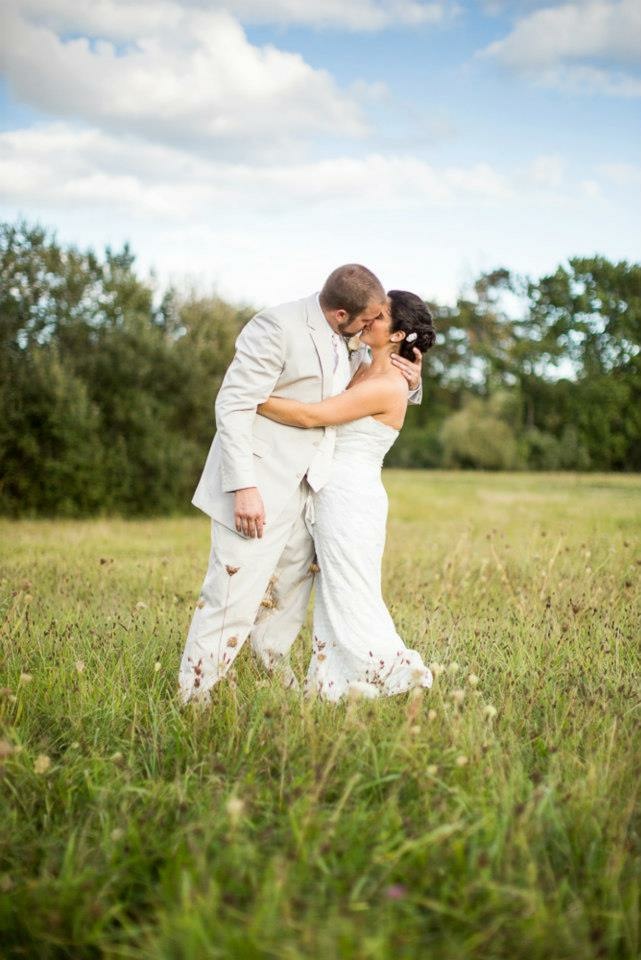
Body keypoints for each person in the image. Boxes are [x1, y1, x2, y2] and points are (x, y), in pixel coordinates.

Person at [177, 265, 423, 705]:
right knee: (232, 592)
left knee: (288, 599)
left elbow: (368, 393)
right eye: (368, 318)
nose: (370, 324)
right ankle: (196, 693)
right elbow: (234, 403)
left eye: (379, 318)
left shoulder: (355, 345)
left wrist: (414, 382)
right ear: (342, 313)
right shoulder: (278, 326)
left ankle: (275, 681)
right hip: (261, 486)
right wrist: (243, 486)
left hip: (316, 492)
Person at [256, 289, 436, 700]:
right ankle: (330, 681)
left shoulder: (387, 384)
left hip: (351, 499)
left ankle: (394, 671)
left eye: (381, 315)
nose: (368, 318)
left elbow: (312, 416)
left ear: (398, 334)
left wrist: (252, 397)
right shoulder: (362, 364)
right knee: (334, 594)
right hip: (328, 493)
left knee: (351, 593)